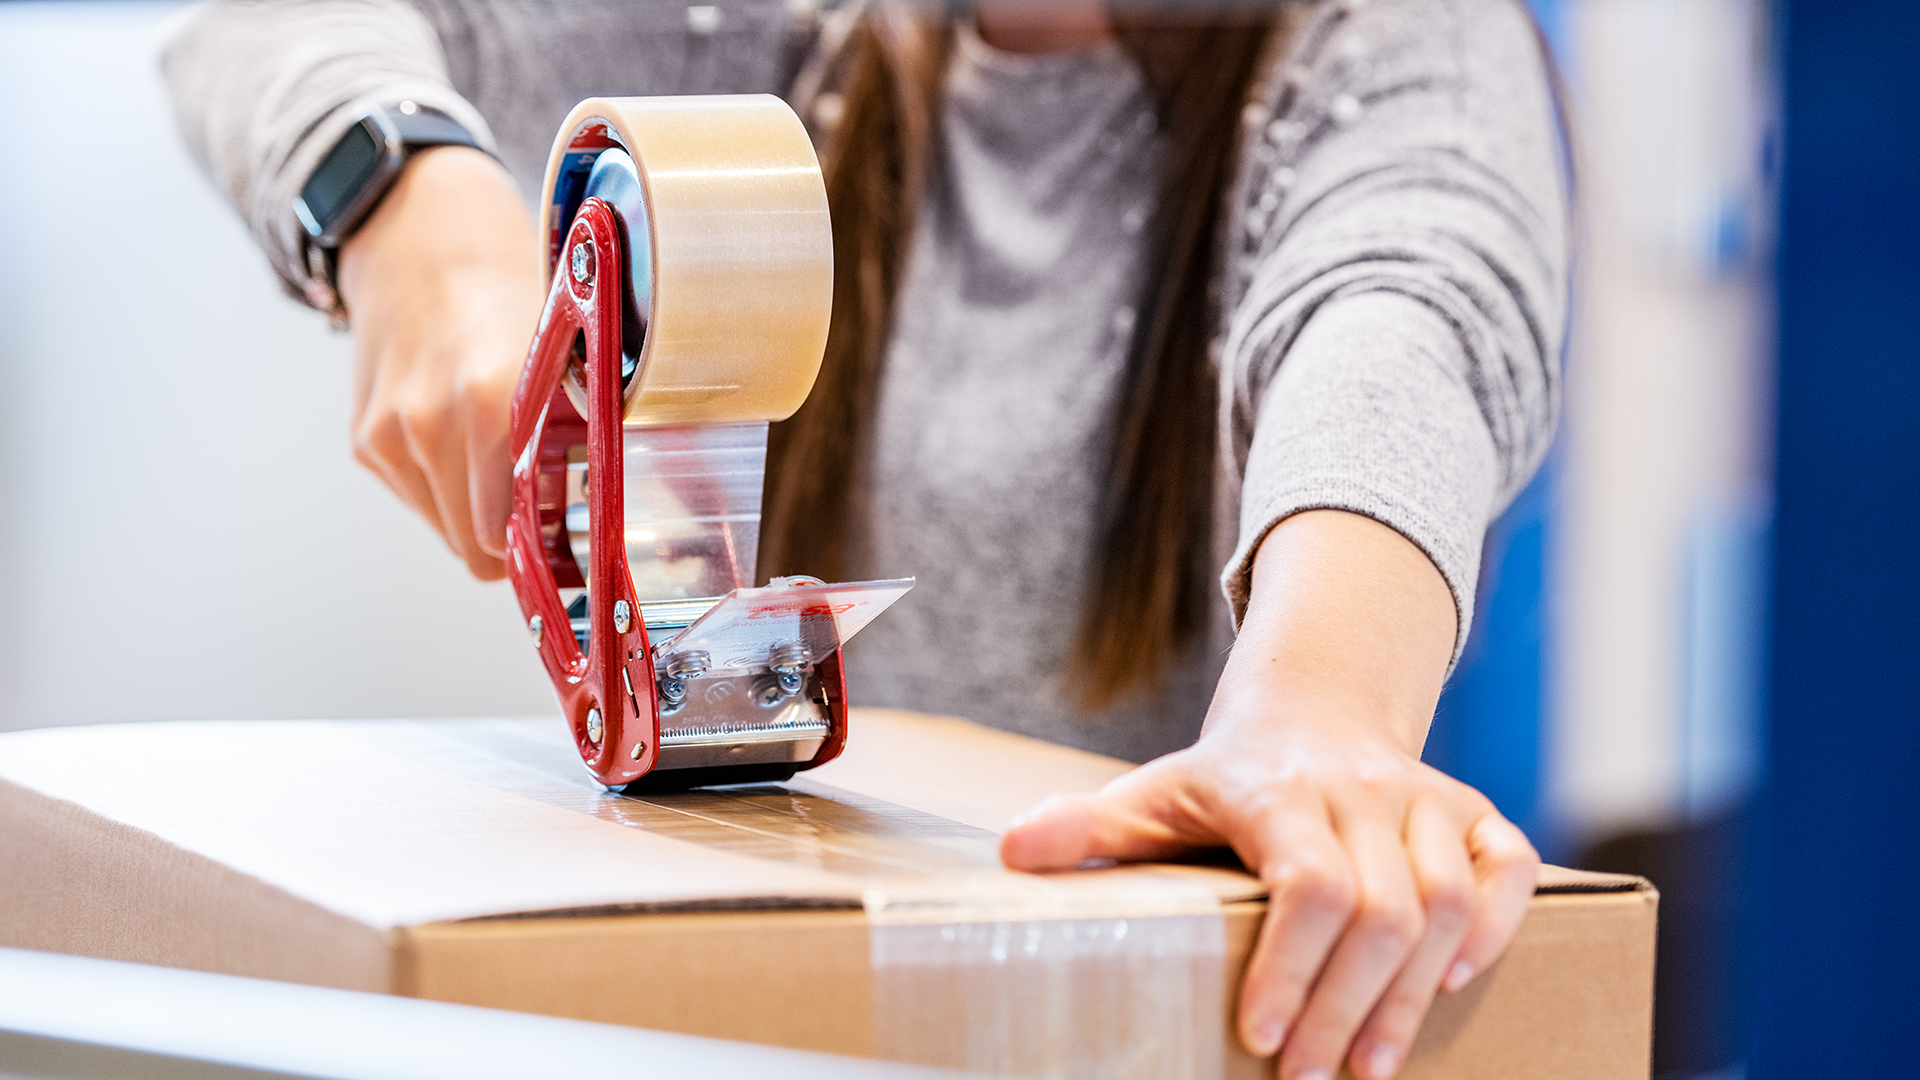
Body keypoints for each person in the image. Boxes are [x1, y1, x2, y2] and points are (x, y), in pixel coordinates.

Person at [164, 1, 1567, 1077]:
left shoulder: (1393, 47)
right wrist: (404, 200)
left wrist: (1318, 713)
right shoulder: (794, 39)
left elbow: (1404, 318)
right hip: (756, 1005)